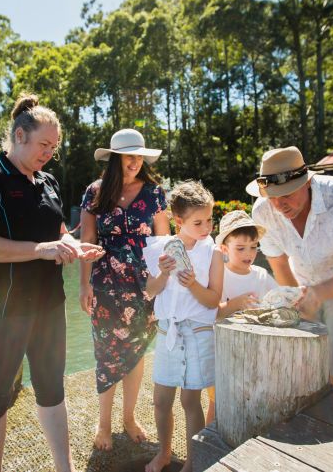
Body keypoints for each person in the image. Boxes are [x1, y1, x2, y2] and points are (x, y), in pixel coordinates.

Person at [0, 93, 104, 472]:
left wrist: (74, 246)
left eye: (54, 147)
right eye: (44, 144)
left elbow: (57, 231)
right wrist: (40, 249)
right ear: (19, 136)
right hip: (0, 307)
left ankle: (64, 468)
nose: (49, 153)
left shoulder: (48, 180)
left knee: (53, 388)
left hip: (49, 304)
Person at [247, 146, 333, 391]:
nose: (279, 204)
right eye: (272, 196)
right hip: (303, 279)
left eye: (286, 194)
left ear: (307, 182)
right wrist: (298, 299)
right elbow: (279, 263)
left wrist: (318, 294)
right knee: (307, 360)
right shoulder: (262, 212)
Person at [79, 128, 170, 451]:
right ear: (115, 158)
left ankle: (129, 419)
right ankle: (104, 424)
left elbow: (164, 244)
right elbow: (87, 241)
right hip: (105, 284)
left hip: (145, 286)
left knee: (136, 352)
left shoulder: (155, 193)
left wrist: (165, 290)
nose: (134, 162)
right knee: (105, 353)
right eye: (128, 156)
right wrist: (83, 284)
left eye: (138, 156)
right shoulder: (95, 192)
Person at [142, 180, 224, 472]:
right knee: (161, 400)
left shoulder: (213, 252)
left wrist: (192, 284)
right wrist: (163, 275)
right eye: (198, 222)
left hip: (198, 332)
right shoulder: (160, 248)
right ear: (179, 221)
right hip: (168, 331)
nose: (207, 228)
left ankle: (192, 462)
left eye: (210, 220)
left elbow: (213, 300)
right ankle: (164, 453)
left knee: (191, 400)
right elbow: (150, 292)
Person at [204, 210, 278, 424]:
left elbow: (277, 298)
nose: (249, 253)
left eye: (254, 247)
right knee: (217, 400)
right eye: (241, 248)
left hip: (253, 348)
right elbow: (210, 311)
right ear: (225, 249)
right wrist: (235, 304)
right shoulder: (219, 274)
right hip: (222, 349)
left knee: (249, 396)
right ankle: (209, 440)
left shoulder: (260, 275)